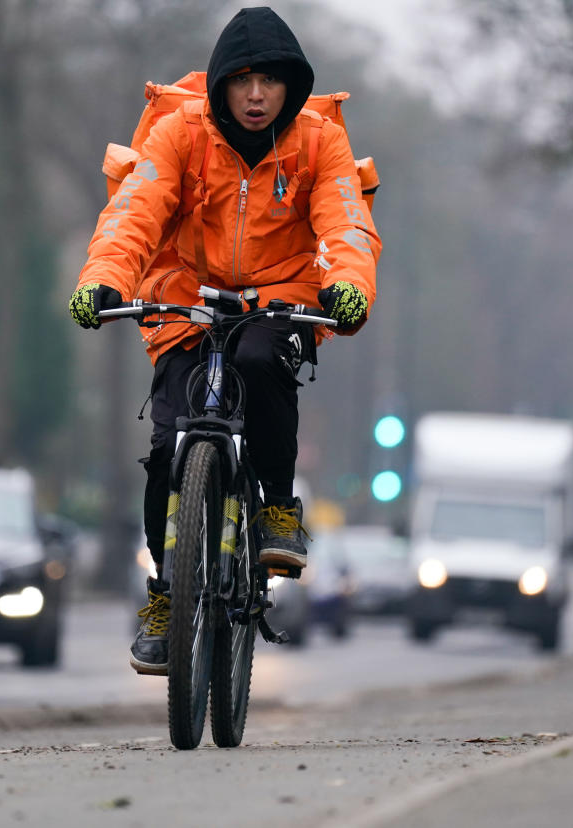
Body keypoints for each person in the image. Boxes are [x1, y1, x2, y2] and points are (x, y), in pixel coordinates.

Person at [69, 6, 381, 675]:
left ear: (291, 86)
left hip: (281, 296)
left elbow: (346, 224)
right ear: (220, 87)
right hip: (186, 296)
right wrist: (103, 280)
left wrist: (347, 284)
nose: (257, 95)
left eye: (270, 81)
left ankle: (275, 507)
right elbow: (133, 214)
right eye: (242, 81)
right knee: (166, 445)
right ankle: (164, 593)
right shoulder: (182, 134)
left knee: (261, 358)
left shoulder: (318, 143)